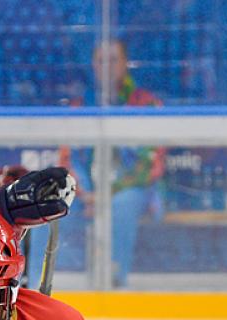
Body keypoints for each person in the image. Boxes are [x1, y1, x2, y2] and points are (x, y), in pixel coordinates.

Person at [63, 40, 164, 288]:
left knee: (121, 205)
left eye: (113, 60)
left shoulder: (147, 103)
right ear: (93, 65)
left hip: (133, 191)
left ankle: (115, 280)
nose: (106, 66)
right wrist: (85, 193)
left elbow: (148, 165)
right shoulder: (79, 106)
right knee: (50, 211)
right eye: (100, 60)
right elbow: (68, 159)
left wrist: (105, 196)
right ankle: (45, 285)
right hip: (86, 194)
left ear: (125, 63)